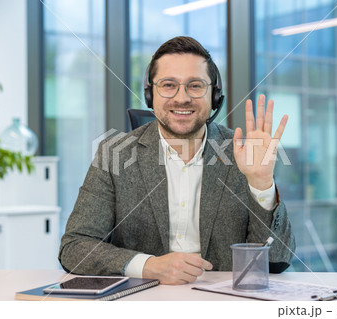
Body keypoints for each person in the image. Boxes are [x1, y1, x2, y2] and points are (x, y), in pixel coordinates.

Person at [59, 36, 295, 285]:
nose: (182, 98)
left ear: (215, 96)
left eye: (195, 86)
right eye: (168, 85)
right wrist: (148, 266)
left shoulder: (243, 153)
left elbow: (277, 260)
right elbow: (74, 248)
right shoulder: (115, 153)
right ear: (150, 95)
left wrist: (261, 184)